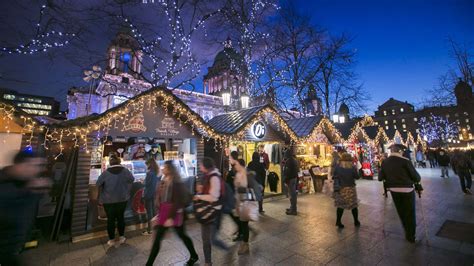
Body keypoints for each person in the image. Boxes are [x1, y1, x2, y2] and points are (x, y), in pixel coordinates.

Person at [0, 150, 50, 266]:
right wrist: (29, 190)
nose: (39, 170)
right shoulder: (5, 184)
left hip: (13, 248)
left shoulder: (26, 183)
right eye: (36, 165)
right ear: (23, 165)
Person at [146, 161, 198, 266]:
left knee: (182, 236)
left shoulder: (176, 182)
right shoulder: (163, 180)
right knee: (158, 239)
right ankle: (149, 264)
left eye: (164, 167)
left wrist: (170, 217)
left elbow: (178, 201)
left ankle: (194, 255)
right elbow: (162, 199)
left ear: (169, 169)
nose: (162, 169)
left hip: (174, 214)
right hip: (164, 213)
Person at [379, 144, 421, 243]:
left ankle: (406, 229)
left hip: (394, 190)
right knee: (410, 213)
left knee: (401, 211)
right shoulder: (405, 161)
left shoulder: (385, 162)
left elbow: (380, 177)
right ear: (400, 151)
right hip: (407, 189)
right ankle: (411, 235)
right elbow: (416, 177)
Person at [195, 157, 228, 265]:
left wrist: (200, 197)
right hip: (207, 210)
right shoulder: (207, 176)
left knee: (211, 239)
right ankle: (208, 262)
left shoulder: (214, 177)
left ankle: (227, 249)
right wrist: (200, 190)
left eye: (200, 165)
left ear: (205, 166)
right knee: (206, 239)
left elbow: (214, 197)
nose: (199, 167)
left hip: (213, 211)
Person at [96, 154, 134, 246]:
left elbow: (98, 183)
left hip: (108, 200)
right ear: (119, 162)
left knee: (111, 220)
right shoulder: (125, 171)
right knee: (121, 218)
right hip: (122, 199)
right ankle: (121, 237)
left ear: (110, 163)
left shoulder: (105, 173)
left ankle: (112, 240)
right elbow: (132, 179)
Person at [230, 156, 252, 255]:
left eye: (237, 164)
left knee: (244, 224)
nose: (235, 166)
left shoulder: (243, 174)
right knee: (242, 224)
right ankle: (244, 243)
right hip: (240, 201)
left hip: (244, 202)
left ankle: (245, 245)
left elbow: (244, 189)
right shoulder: (240, 174)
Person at [333, 153, 361, 228]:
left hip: (341, 188)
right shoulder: (352, 167)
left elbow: (334, 176)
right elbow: (357, 177)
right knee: (353, 205)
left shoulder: (338, 167)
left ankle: (338, 221)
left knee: (340, 206)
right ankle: (356, 221)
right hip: (351, 188)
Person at [142, 158, 161, 235]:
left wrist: (142, 181)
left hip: (148, 194)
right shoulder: (157, 172)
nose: (146, 166)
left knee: (149, 212)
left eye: (146, 164)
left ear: (149, 164)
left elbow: (146, 184)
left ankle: (150, 230)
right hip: (155, 193)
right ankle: (156, 227)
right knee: (154, 211)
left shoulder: (149, 173)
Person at [283, 148, 299, 216]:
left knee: (292, 195)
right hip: (294, 178)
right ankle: (292, 208)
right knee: (293, 194)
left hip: (290, 180)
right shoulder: (295, 160)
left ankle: (293, 210)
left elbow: (287, 172)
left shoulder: (289, 161)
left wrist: (285, 180)